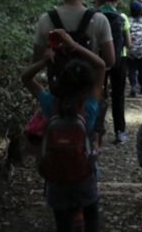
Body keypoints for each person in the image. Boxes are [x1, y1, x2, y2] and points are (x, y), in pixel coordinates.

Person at [21, 29, 105, 232]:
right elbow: (101, 66)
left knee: (63, 222)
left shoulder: (51, 105)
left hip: (56, 175)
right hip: (84, 173)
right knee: (91, 216)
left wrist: (44, 61)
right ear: (87, 85)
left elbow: (25, 78)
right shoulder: (89, 106)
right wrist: (74, 45)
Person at [33, 0, 115, 68]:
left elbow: (36, 61)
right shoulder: (100, 19)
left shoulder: (46, 19)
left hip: (57, 82)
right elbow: (110, 61)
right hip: (90, 82)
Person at [96, 0, 131, 143]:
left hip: (97, 60)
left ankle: (97, 126)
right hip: (119, 59)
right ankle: (119, 131)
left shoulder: (94, 15)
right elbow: (128, 43)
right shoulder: (122, 16)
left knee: (97, 94)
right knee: (118, 95)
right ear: (116, 0)